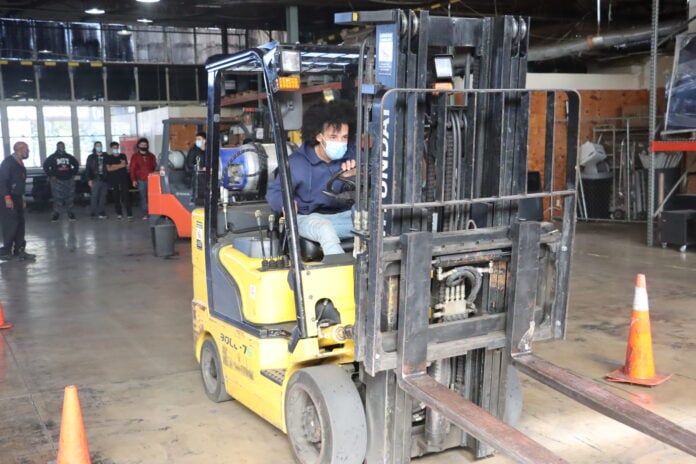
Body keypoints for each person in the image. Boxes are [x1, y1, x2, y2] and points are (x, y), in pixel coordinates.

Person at [266, 100, 356, 256]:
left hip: (342, 215)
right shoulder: (296, 163)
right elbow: (274, 192)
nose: (340, 142)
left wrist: (357, 174)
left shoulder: (351, 155)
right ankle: (342, 271)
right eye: (333, 136)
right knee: (324, 229)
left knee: (376, 222)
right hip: (307, 218)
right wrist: (285, 203)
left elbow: (374, 174)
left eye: (344, 137)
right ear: (319, 136)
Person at [0, 141, 36, 261]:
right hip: (8, 197)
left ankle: (19, 250)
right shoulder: (8, 162)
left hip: (18, 197)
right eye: (27, 149)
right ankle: (6, 251)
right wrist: (7, 197)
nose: (28, 151)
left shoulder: (20, 164)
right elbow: (2, 181)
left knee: (20, 224)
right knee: (11, 224)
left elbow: (20, 183)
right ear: (19, 149)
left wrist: (22, 198)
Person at [42, 141, 79, 222]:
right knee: (57, 198)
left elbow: (76, 164)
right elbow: (45, 166)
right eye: (59, 146)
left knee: (70, 197)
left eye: (62, 146)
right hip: (57, 181)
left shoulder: (69, 156)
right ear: (57, 147)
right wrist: (51, 175)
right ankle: (56, 213)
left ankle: (70, 213)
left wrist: (73, 173)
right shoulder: (52, 157)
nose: (61, 147)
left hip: (69, 179)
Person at [129, 137, 157, 219]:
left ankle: (153, 213)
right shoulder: (135, 156)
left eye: (145, 144)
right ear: (138, 145)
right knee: (143, 197)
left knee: (152, 197)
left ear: (147, 146)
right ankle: (145, 213)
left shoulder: (151, 156)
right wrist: (133, 180)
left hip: (152, 180)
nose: (143, 146)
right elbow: (132, 168)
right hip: (141, 180)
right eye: (142, 144)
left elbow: (155, 167)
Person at [105, 142, 133, 220]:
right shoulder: (108, 157)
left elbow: (124, 165)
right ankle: (119, 213)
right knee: (116, 197)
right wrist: (120, 165)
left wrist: (114, 166)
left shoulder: (122, 155)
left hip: (123, 179)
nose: (116, 149)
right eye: (114, 147)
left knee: (126, 197)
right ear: (111, 148)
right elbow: (109, 169)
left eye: (117, 147)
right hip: (114, 180)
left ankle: (129, 214)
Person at [85, 141, 109, 219]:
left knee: (103, 197)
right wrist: (89, 179)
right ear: (95, 147)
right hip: (95, 179)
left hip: (105, 179)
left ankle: (101, 211)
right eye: (97, 146)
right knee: (94, 196)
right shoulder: (91, 157)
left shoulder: (106, 156)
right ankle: (93, 211)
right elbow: (88, 169)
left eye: (100, 146)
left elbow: (109, 167)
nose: (99, 147)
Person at [185, 131, 206, 204]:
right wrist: (200, 168)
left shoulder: (209, 151)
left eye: (199, 139)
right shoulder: (193, 151)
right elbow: (189, 164)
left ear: (204, 140)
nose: (197, 141)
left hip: (206, 178)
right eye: (196, 139)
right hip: (196, 177)